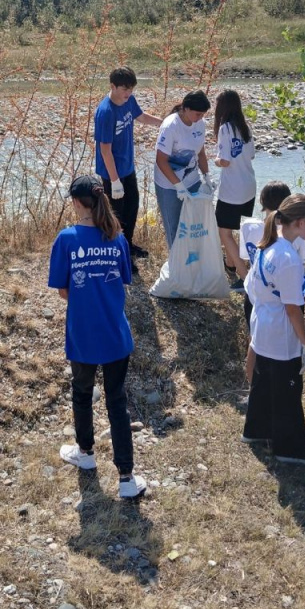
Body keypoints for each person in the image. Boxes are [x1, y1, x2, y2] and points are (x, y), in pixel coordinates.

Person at [48, 174, 146, 499]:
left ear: (77, 203)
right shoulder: (116, 237)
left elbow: (64, 290)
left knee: (82, 393)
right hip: (116, 335)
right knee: (117, 403)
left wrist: (83, 296)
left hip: (83, 335)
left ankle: (86, 454)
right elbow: (122, 282)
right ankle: (127, 479)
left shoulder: (66, 239)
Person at [242, 194, 305, 465]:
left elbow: (251, 287)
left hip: (263, 325)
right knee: (288, 392)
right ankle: (290, 450)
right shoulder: (288, 258)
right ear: (300, 222)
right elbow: (292, 309)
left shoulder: (269, 244)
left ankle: (255, 430)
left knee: (263, 384)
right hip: (280, 334)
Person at [238, 182, 305, 394]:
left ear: (261, 202)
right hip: (282, 298)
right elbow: (303, 263)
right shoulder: (291, 235)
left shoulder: (250, 227)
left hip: (255, 292)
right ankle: (280, 393)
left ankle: (254, 390)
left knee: (254, 341)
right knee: (283, 352)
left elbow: (243, 258)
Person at [94, 66, 162, 272]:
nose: (128, 93)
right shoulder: (105, 112)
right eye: (124, 89)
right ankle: (117, 255)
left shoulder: (128, 101)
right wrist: (114, 182)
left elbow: (141, 117)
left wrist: (166, 123)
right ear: (112, 86)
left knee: (132, 208)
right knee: (116, 215)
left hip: (127, 168)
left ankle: (127, 245)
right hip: (111, 173)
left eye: (131, 89)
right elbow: (105, 150)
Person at [153, 90, 212, 250]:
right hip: (169, 185)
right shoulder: (171, 126)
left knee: (193, 225)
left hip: (192, 180)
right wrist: (178, 186)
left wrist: (206, 176)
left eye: (203, 114)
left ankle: (192, 260)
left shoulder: (200, 123)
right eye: (198, 113)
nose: (200, 117)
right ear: (185, 109)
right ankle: (177, 264)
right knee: (174, 226)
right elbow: (161, 160)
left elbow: (200, 152)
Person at [213, 89, 256, 289]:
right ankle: (230, 265)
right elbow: (252, 156)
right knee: (233, 228)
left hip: (232, 190)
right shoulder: (245, 127)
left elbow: (225, 161)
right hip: (249, 186)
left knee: (224, 232)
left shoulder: (225, 129)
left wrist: (215, 160)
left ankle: (245, 276)